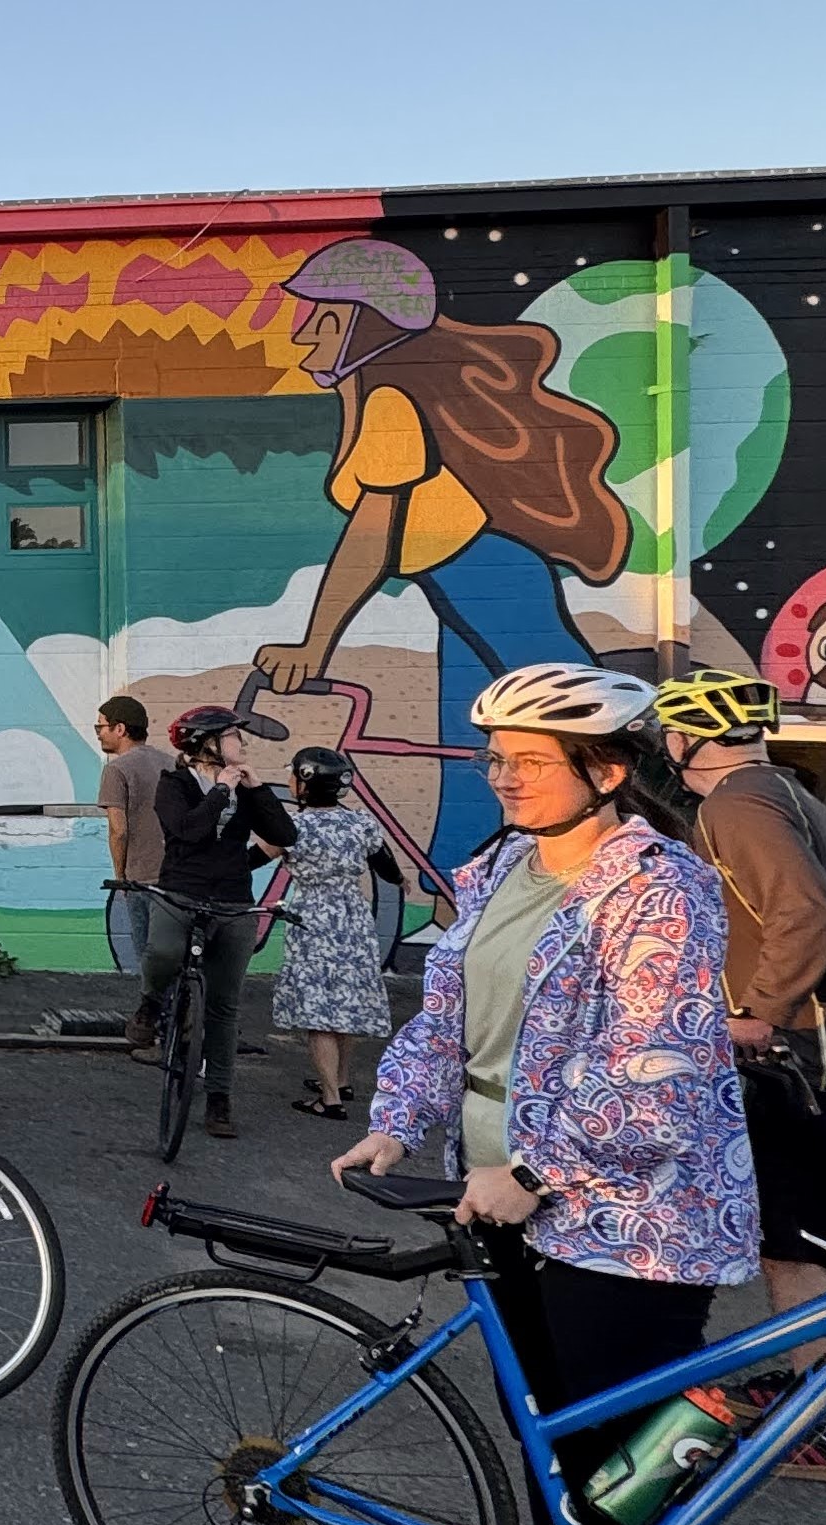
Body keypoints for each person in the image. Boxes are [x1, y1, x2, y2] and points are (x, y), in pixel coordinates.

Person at [329, 662, 759, 1525]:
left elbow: (655, 1079)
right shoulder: (498, 867)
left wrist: (532, 1169)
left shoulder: (661, 889)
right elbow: (444, 1014)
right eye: (498, 756)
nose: (503, 776)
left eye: (530, 760)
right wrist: (395, 1122)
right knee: (553, 1449)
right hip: (499, 1194)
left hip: (632, 1222)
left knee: (642, 1468)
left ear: (607, 771)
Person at [249, 238, 633, 867]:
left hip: (493, 578)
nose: (300, 336)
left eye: (317, 317)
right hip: (457, 586)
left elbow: (371, 538)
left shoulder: (391, 401)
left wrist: (312, 647)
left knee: (587, 735)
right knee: (472, 748)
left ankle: (638, 860)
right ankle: (457, 895)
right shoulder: (380, 392)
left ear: (361, 324)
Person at [656, 669, 826, 1479]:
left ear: (689, 737)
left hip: (794, 1060)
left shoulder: (734, 804)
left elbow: (802, 910)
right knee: (808, 1238)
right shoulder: (789, 791)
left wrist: (759, 1009)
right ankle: (813, 1385)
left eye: (671, 735)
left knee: (795, 1246)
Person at [138, 704, 294, 1141]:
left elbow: (285, 835)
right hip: (181, 891)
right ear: (207, 743)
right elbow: (187, 832)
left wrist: (258, 788)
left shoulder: (245, 786)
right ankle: (150, 1002)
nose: (242, 745)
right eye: (233, 738)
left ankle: (220, 1098)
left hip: (232, 901)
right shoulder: (173, 784)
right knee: (163, 951)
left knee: (224, 1007)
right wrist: (220, 793)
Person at [269, 746, 408, 1118]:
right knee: (346, 1002)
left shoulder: (293, 827)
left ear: (305, 783)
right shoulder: (361, 823)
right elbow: (386, 866)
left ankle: (329, 1099)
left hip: (312, 918)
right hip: (354, 918)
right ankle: (342, 1079)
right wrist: (402, 880)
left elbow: (249, 860)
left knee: (318, 1012)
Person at [94, 695, 167, 1032]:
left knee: (149, 959)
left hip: (142, 878)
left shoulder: (116, 769)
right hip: (179, 876)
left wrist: (121, 876)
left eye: (101, 727)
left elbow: (118, 830)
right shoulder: (172, 762)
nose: (98, 733)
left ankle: (155, 1029)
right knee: (177, 957)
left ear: (120, 728)